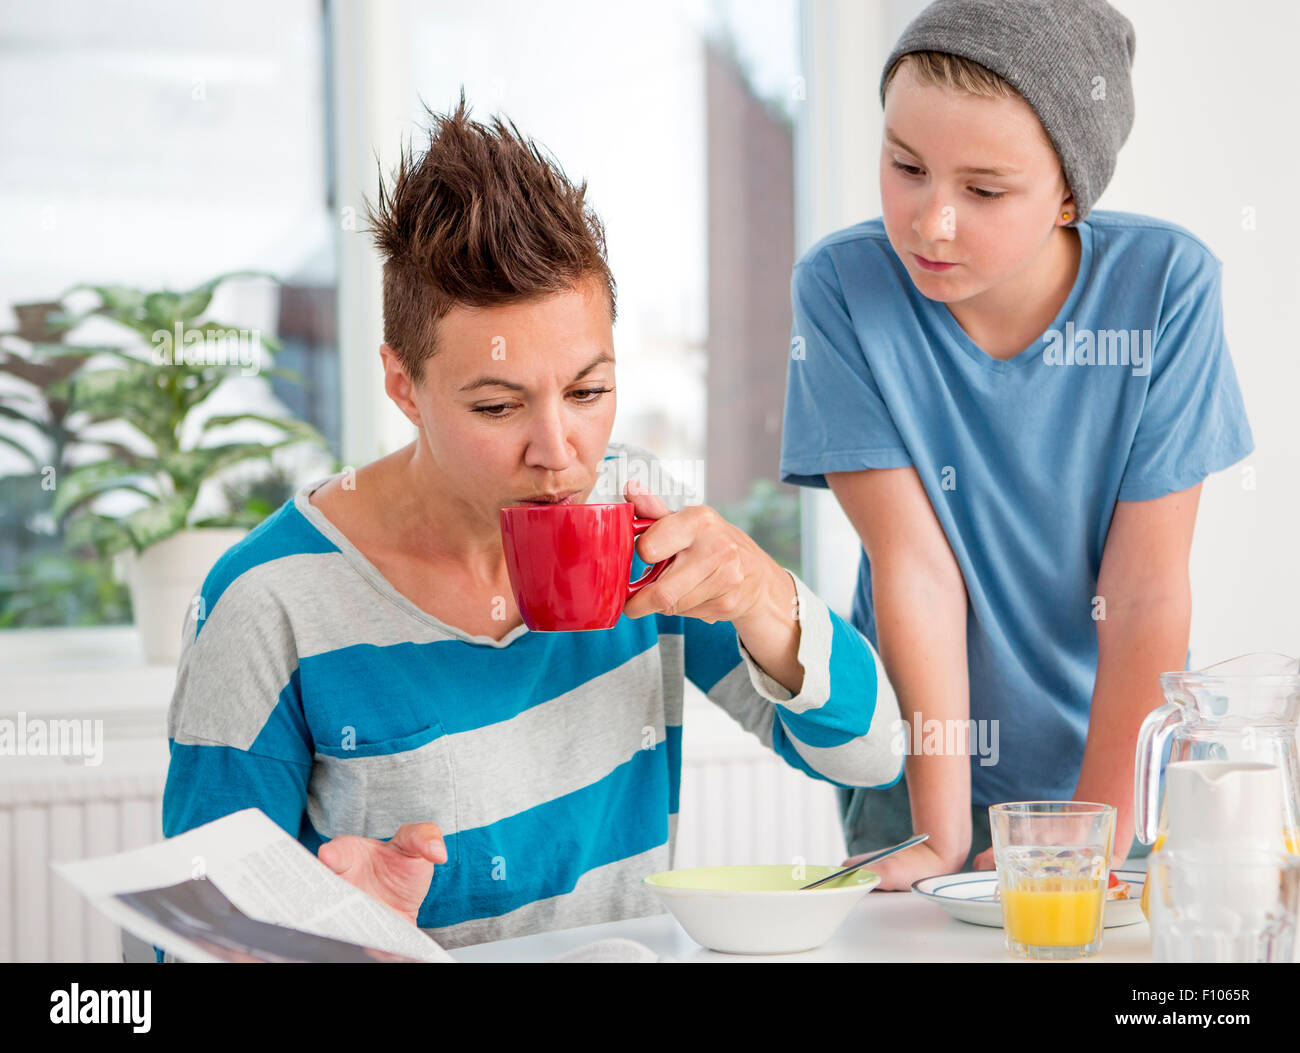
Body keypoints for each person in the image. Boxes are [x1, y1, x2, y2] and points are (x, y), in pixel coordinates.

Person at [155, 93, 902, 959]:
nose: (560, 452)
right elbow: (193, 943)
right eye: (498, 404)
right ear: (403, 386)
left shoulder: (634, 512)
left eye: (588, 392)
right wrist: (326, 939)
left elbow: (873, 757)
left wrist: (761, 593)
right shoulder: (266, 602)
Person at [779, 0, 1252, 890]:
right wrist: (941, 831)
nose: (931, 222)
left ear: (1070, 192)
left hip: (1116, 778)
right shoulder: (842, 290)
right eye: (905, 167)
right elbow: (914, 567)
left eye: (984, 190)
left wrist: (1097, 832)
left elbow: (1145, 591)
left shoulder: (1166, 290)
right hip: (920, 782)